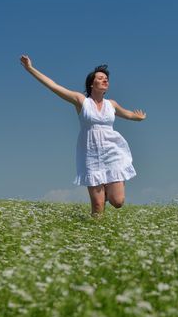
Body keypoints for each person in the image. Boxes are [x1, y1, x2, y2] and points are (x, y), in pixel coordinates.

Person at [20, 55, 146, 215]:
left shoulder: (111, 104)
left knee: (118, 202)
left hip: (113, 153)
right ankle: (98, 235)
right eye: (101, 78)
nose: (105, 80)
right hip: (91, 155)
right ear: (92, 83)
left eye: (106, 79)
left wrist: (138, 117)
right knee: (98, 207)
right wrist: (30, 68)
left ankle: (108, 190)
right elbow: (54, 86)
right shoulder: (81, 101)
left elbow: (127, 114)